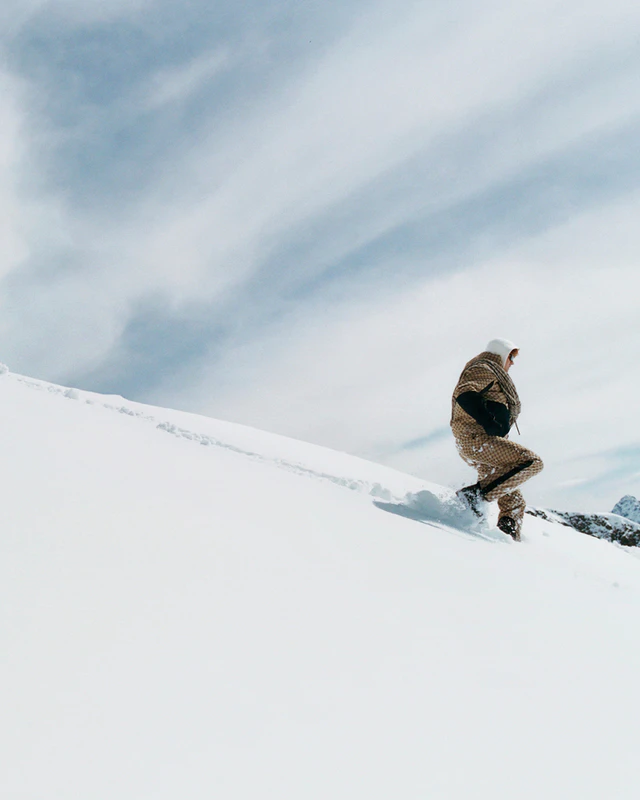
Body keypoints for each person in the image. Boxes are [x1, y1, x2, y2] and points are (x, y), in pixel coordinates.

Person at [450, 338, 543, 541]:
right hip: (476, 439)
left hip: (480, 442)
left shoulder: (493, 373)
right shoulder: (483, 368)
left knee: (514, 502)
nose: (512, 363)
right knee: (532, 462)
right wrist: (489, 421)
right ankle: (473, 496)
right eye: (511, 357)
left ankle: (505, 539)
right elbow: (464, 394)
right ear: (502, 354)